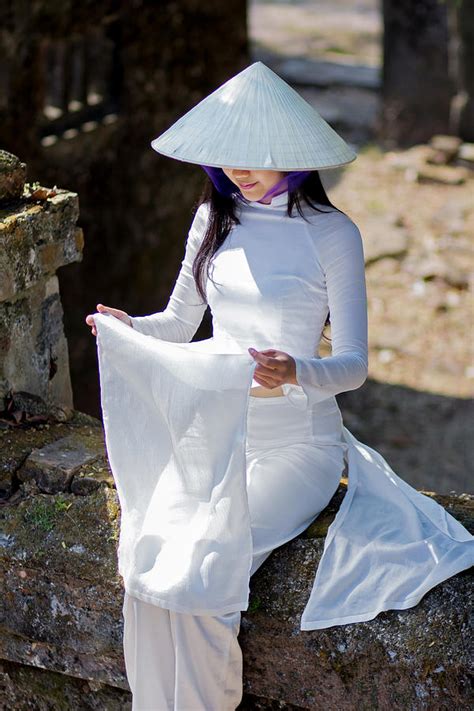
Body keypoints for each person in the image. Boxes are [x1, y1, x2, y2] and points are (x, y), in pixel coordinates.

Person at [86, 62, 474, 711]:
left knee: (205, 573)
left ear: (292, 152)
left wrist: (295, 371)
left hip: (299, 447)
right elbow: (178, 323)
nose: (240, 169)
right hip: (217, 433)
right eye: (229, 155)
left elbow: (352, 364)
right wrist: (130, 327)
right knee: (148, 570)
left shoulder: (333, 233)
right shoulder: (214, 217)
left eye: (256, 156)